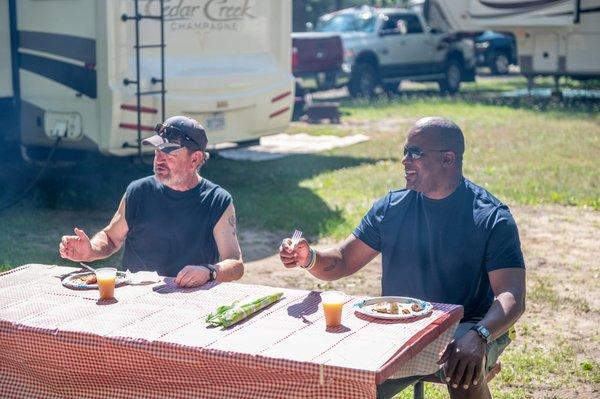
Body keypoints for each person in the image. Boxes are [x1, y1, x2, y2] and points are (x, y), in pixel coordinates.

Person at [279, 117, 526, 399]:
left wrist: (480, 335)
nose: (405, 160)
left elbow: (512, 296)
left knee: (462, 366)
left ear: (448, 159)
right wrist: (309, 257)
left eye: (415, 153)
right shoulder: (391, 208)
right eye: (405, 151)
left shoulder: (491, 217)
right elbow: (343, 260)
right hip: (399, 328)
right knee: (342, 375)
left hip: (468, 325)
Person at [60, 115, 243, 288]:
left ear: (195, 159)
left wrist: (209, 272)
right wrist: (90, 249)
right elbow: (111, 238)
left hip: (190, 299)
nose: (159, 160)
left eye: (169, 154)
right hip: (135, 297)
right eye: (157, 152)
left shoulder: (217, 201)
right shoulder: (138, 191)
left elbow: (235, 264)